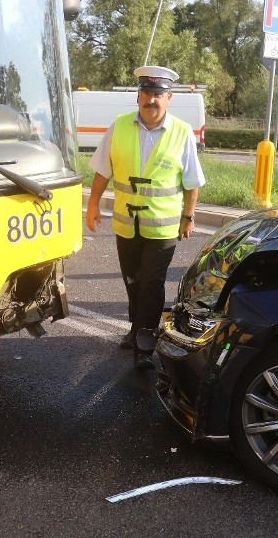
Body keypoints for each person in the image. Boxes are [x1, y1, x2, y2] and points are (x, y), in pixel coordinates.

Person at [85, 65, 205, 371]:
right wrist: (93, 204)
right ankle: (135, 325)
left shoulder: (181, 133)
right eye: (146, 93)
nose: (151, 100)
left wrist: (188, 217)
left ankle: (144, 341)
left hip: (163, 228)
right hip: (127, 223)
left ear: (169, 98)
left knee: (152, 282)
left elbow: (192, 182)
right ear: (139, 96)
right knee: (133, 279)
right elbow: (103, 170)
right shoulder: (120, 125)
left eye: (158, 95)